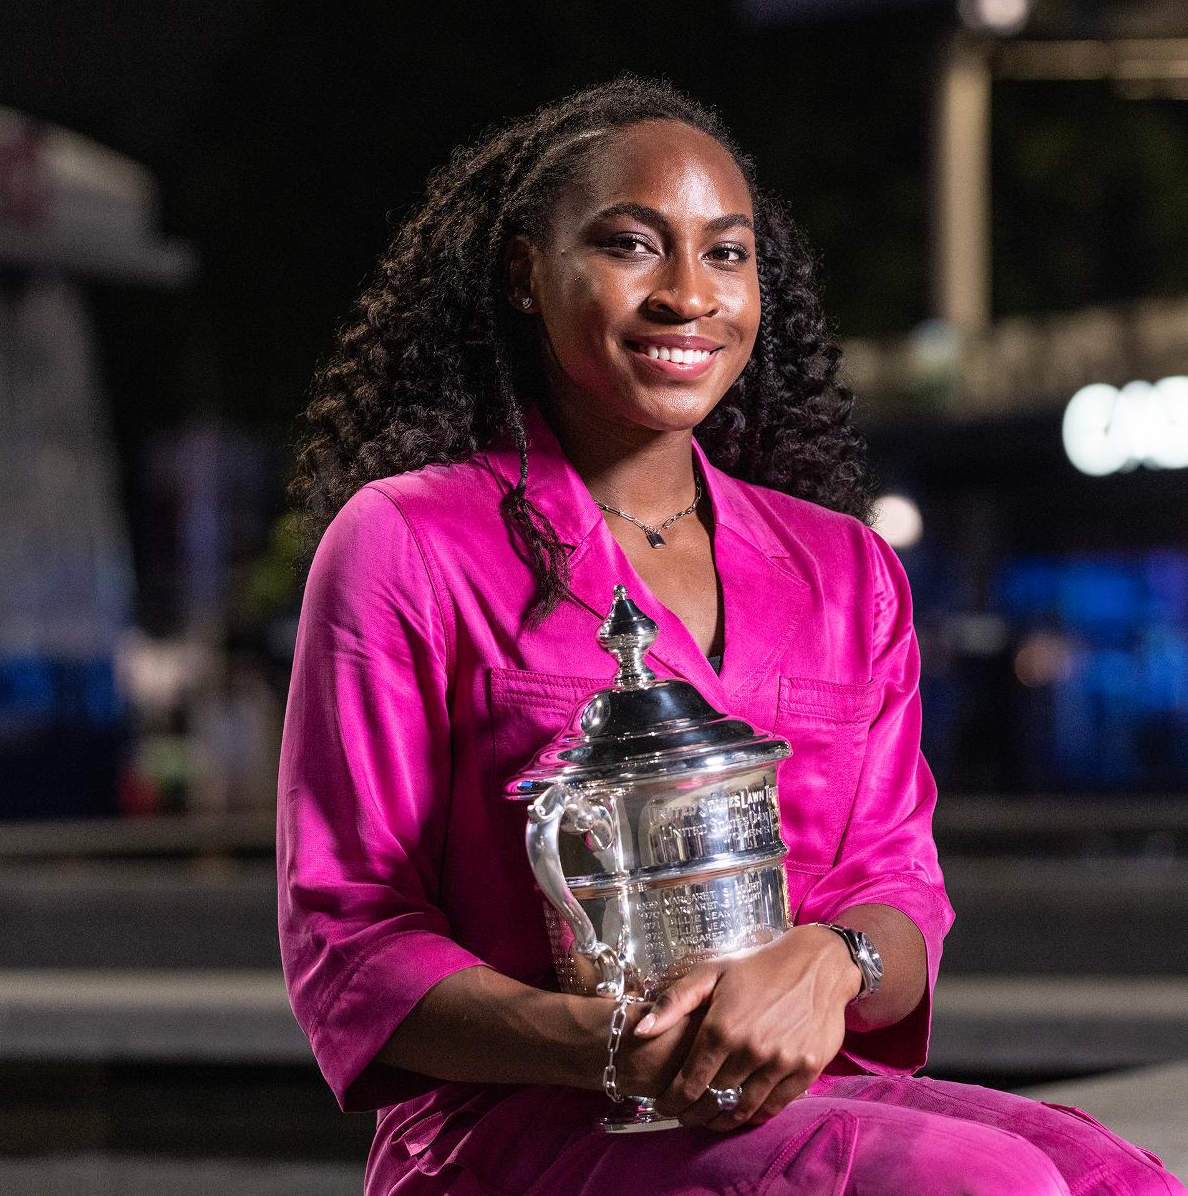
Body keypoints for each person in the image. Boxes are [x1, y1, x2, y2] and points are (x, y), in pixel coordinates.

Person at [278, 77, 1183, 1196]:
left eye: (727, 254)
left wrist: (828, 963)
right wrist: (612, 1043)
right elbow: (351, 938)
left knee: (1117, 1176)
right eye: (631, 245)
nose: (687, 296)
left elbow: (901, 900)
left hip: (799, 1103)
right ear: (524, 272)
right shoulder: (409, 542)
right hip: (524, 1127)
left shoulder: (846, 570)